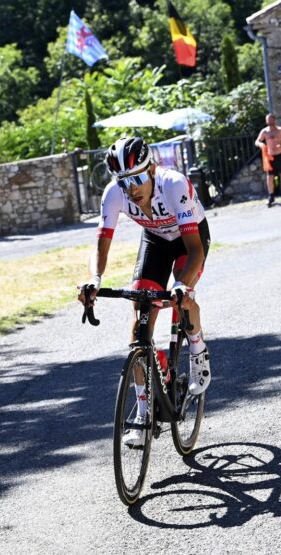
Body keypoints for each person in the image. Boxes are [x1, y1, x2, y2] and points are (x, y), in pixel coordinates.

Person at [77, 136, 212, 447]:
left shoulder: (174, 184)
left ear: (151, 169)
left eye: (137, 178)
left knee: (183, 297)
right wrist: (94, 278)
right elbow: (102, 241)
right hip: (154, 241)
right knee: (140, 312)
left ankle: (197, 348)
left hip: (188, 241)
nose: (132, 189)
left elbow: (195, 251)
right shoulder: (115, 194)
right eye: (124, 182)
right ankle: (142, 409)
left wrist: (181, 285)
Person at [255, 113, 281, 207]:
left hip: (280, 155)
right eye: (267, 120)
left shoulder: (280, 130)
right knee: (270, 177)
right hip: (270, 156)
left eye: (271, 120)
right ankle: (271, 196)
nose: (269, 122)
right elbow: (257, 141)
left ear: (274, 120)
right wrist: (261, 145)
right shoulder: (264, 131)